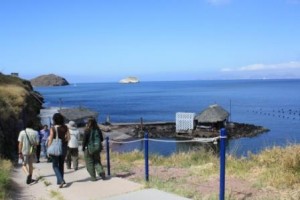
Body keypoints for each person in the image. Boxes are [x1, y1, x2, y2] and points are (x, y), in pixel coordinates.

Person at [48, 113, 70, 188]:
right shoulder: (65, 127)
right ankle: (60, 180)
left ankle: (60, 180)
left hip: (55, 148)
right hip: (63, 147)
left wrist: (48, 148)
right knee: (61, 164)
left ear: (54, 120)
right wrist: (64, 142)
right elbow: (68, 138)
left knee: (55, 165)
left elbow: (50, 138)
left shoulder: (53, 128)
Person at [18, 120, 39, 184]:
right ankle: (30, 178)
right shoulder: (35, 132)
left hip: (24, 151)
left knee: (23, 165)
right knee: (30, 165)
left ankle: (28, 175)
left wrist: (19, 152)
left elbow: (20, 143)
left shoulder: (22, 132)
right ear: (32, 126)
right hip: (32, 151)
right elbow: (37, 143)